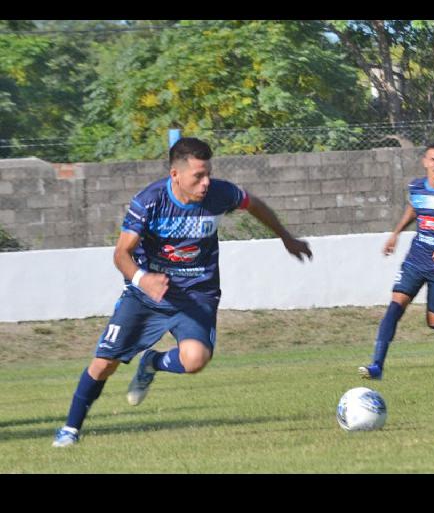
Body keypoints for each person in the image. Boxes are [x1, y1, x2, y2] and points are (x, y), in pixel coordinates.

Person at [52, 137, 312, 447]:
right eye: (198, 176)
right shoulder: (149, 201)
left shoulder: (220, 194)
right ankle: (70, 429)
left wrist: (286, 237)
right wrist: (142, 278)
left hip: (197, 294)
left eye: (208, 174)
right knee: (104, 364)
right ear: (175, 175)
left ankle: (152, 363)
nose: (206, 183)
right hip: (147, 295)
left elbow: (253, 204)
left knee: (196, 360)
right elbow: (121, 254)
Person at [359, 143, 434, 380]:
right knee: (394, 308)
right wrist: (395, 233)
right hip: (416, 259)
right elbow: (414, 209)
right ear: (425, 162)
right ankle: (377, 366)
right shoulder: (416, 187)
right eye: (433, 160)